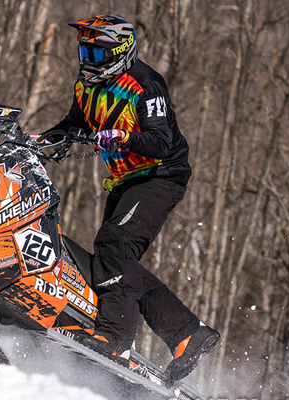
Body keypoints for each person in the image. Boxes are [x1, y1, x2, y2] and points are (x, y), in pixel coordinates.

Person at [47, 14, 220, 384]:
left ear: (121, 51)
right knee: (116, 262)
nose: (88, 58)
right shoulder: (87, 83)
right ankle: (188, 333)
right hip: (125, 179)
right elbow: (75, 122)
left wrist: (123, 137)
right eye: (85, 49)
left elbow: (161, 142)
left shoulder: (146, 84)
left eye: (97, 50)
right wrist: (43, 142)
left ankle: (115, 339)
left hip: (160, 175)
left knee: (115, 243)